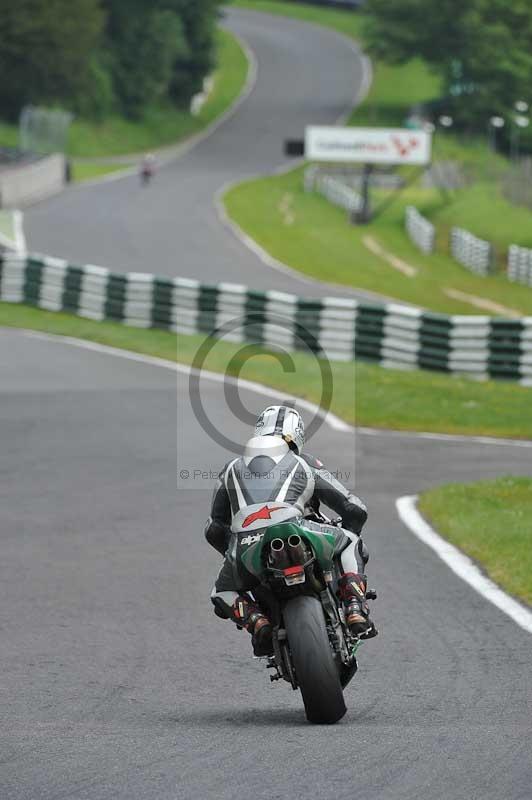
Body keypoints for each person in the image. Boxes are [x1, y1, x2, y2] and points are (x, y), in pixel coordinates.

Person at [204, 405, 377, 656]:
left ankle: (257, 622)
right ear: (297, 436)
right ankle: (353, 605)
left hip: (247, 544)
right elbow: (354, 508)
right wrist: (346, 528)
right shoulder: (304, 462)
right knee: (350, 542)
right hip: (299, 530)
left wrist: (235, 553)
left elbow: (214, 528)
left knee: (221, 591)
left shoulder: (230, 468)